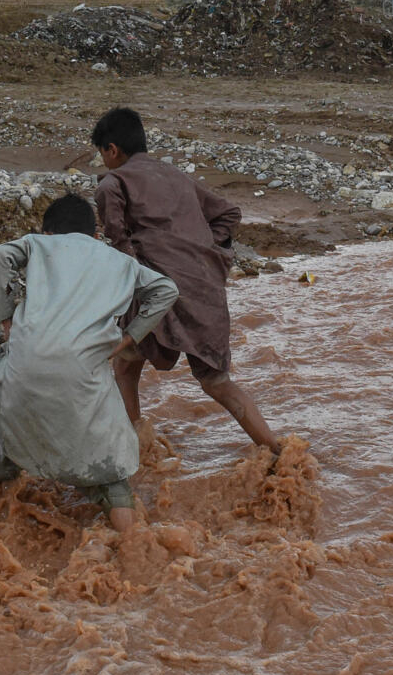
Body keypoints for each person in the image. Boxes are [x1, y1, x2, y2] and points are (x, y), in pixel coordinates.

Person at [0, 193, 179, 533]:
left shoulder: (38, 244)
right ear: (94, 235)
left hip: (25, 359)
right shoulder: (119, 261)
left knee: (3, 414)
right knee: (109, 467)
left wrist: (6, 319)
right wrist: (131, 337)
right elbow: (166, 290)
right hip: (84, 365)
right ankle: (132, 547)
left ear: (48, 232)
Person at [91, 107, 281, 456]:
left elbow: (120, 248)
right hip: (206, 290)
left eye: (101, 153)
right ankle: (277, 452)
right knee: (217, 382)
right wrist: (206, 252)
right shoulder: (175, 175)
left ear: (112, 150)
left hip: (158, 292)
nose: (102, 161)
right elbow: (229, 214)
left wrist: (148, 271)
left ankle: (136, 445)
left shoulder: (112, 183)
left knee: (125, 363)